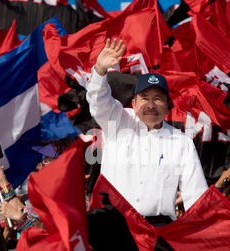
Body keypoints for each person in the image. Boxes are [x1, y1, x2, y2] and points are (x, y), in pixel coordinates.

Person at [86, 38, 208, 225]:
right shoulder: (118, 121)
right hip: (115, 227)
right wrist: (100, 71)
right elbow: (98, 102)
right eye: (144, 98)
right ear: (133, 104)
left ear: (167, 106)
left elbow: (196, 196)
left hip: (158, 229)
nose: (151, 105)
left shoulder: (181, 142)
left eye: (158, 99)